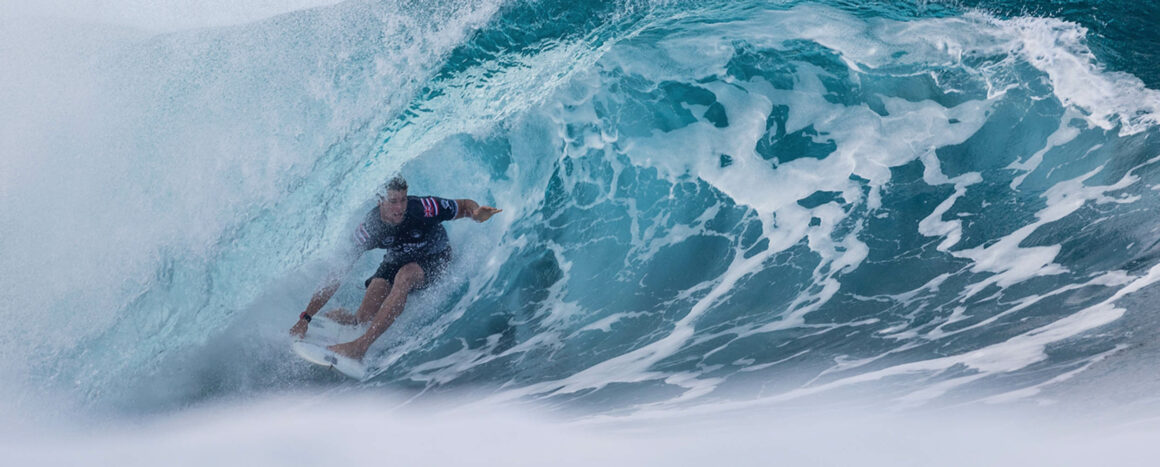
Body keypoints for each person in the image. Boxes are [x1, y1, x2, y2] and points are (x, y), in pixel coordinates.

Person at [290, 175, 501, 361]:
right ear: (380, 201)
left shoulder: (423, 208)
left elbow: (463, 205)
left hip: (435, 257)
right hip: (397, 258)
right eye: (393, 201)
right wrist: (306, 317)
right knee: (363, 318)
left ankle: (360, 346)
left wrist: (475, 213)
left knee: (405, 275)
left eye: (403, 200)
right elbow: (337, 272)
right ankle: (342, 316)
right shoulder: (369, 229)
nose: (400, 207)